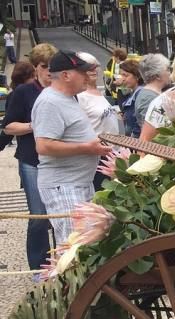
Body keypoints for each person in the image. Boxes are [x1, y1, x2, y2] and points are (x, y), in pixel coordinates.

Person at [32, 51, 112, 243]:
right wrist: (87, 148)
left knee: (85, 243)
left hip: (77, 183)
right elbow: (43, 146)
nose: (88, 77)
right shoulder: (50, 101)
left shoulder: (67, 98)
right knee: (74, 246)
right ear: (66, 75)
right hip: (64, 186)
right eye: (82, 72)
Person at [3, 44, 56, 272]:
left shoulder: (60, 89)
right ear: (36, 68)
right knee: (38, 216)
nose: (49, 71)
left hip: (58, 160)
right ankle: (38, 267)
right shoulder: (23, 93)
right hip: (32, 160)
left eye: (52, 66)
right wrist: (35, 125)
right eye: (44, 67)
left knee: (60, 214)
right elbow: (8, 127)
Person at [75, 52, 123, 190]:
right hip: (98, 156)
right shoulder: (80, 96)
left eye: (95, 66)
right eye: (88, 68)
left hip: (113, 152)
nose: (93, 70)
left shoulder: (97, 92)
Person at [135, 54, 171, 129]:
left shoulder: (151, 94)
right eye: (167, 69)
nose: (169, 73)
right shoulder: (149, 98)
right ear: (157, 76)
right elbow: (149, 130)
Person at [118, 59, 144, 138]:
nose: (122, 78)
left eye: (125, 75)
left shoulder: (140, 93)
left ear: (137, 76)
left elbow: (140, 122)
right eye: (122, 75)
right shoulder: (134, 91)